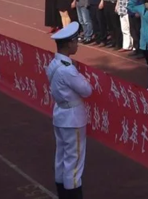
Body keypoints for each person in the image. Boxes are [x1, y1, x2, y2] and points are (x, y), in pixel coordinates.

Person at [47, 22, 92, 199]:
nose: (77, 44)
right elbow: (87, 90)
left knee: (61, 158)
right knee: (74, 163)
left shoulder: (53, 64)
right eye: (75, 41)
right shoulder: (68, 70)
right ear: (68, 44)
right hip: (73, 118)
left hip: (60, 114)